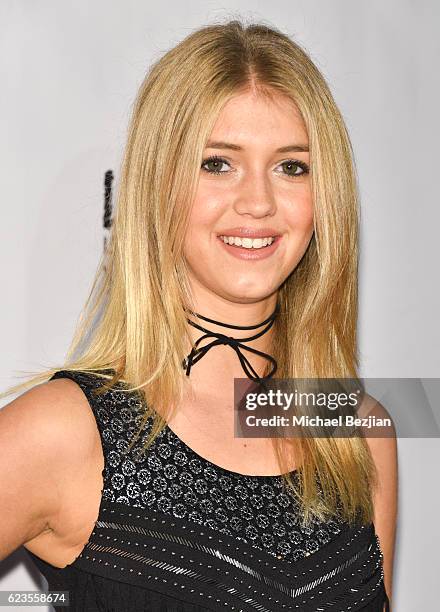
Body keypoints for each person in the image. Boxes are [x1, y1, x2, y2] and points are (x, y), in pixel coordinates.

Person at [0, 18, 397, 612]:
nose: (258, 202)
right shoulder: (65, 432)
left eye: (292, 166)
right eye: (218, 163)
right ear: (159, 184)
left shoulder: (356, 431)